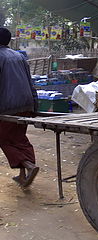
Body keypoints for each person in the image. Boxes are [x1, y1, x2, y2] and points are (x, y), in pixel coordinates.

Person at [0, 27, 39, 187]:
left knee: (3, 138)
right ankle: (22, 175)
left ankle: (29, 166)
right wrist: (35, 103)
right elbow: (30, 81)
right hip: (26, 103)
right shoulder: (19, 56)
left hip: (8, 105)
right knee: (19, 138)